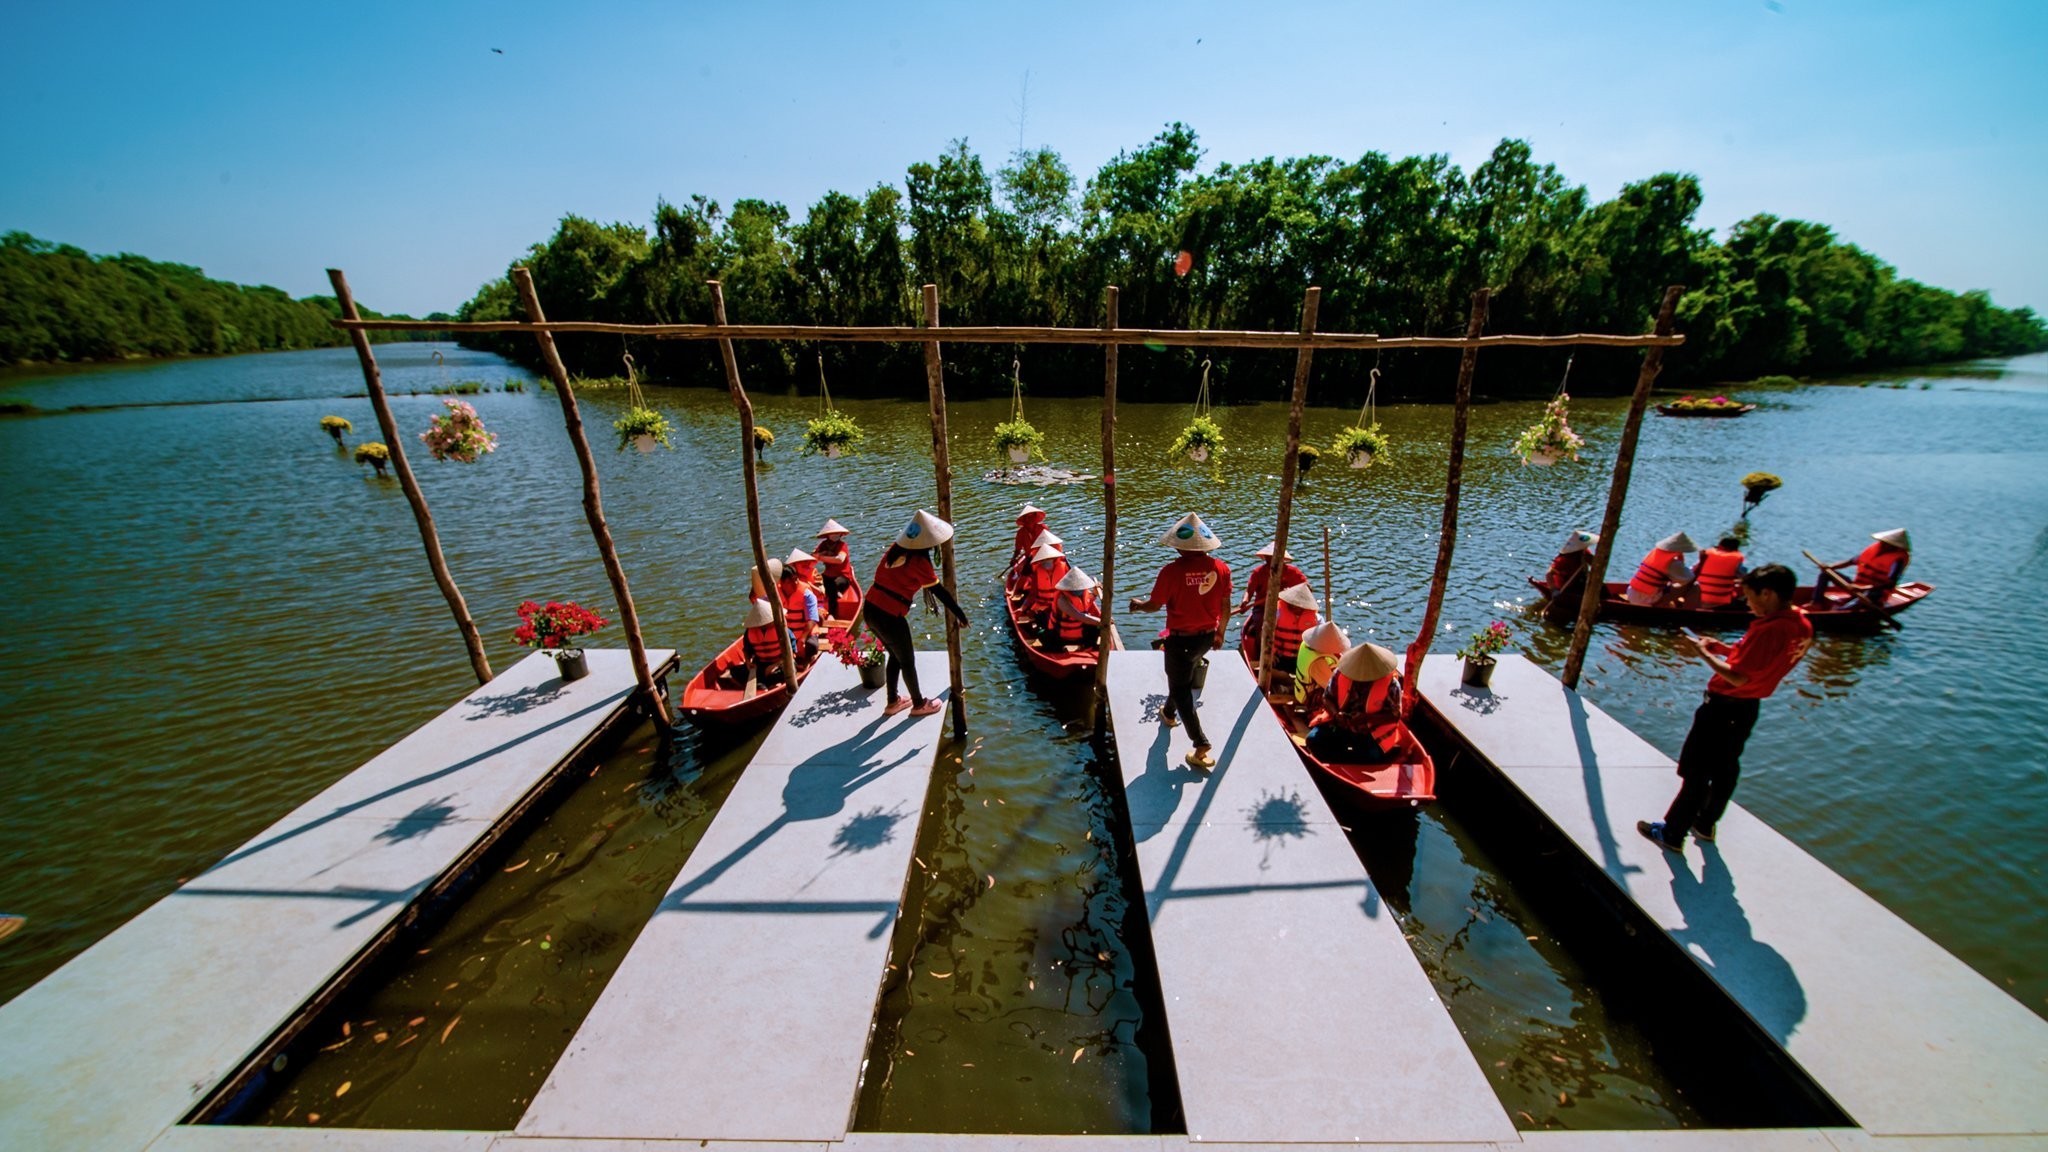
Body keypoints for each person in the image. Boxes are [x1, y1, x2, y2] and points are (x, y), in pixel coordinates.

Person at [1638, 563, 1814, 853]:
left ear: (1767, 593)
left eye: (1750, 596)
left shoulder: (1770, 629)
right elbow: (1758, 661)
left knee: (1696, 772)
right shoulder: (1801, 623)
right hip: (1747, 708)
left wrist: (1702, 654)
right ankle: (1705, 824)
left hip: (1722, 708)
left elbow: (1738, 676)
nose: (1748, 603)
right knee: (1725, 769)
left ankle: (1672, 832)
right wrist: (1721, 648)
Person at [1127, 512, 1232, 769]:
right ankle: (1169, 713)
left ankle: (1200, 743)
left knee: (1181, 688)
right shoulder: (1221, 568)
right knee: (1181, 678)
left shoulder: (1171, 572)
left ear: (1179, 545)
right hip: (1206, 637)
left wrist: (1138, 605)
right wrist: (1221, 633)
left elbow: (1154, 605)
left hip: (1180, 640)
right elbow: (1226, 605)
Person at [862, 509, 969, 717]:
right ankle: (919, 705)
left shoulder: (895, 549)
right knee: (907, 660)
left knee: (894, 655)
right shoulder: (919, 562)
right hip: (889, 616)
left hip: (870, 609)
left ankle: (892, 702)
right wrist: (960, 614)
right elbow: (940, 593)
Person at [1306, 642, 1405, 763]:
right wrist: (1336, 714)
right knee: (1313, 740)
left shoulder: (1392, 685)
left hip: (1371, 732)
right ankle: (1345, 759)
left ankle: (1344, 758)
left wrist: (1366, 718)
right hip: (1342, 725)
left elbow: (1395, 715)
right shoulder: (1340, 674)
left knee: (1372, 756)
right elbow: (1327, 698)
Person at [1811, 528, 1911, 609]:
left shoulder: (1898, 560)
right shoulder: (1874, 550)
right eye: (1883, 542)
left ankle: (1842, 611)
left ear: (1895, 546)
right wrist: (1830, 567)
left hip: (1875, 592)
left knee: (1870, 596)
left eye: (1888, 544)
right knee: (1825, 574)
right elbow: (1851, 561)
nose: (1883, 545)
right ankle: (1816, 603)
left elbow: (1890, 583)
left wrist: (1863, 588)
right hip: (1855, 587)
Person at [1235, 541, 1309, 645]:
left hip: (1286, 607)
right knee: (1261, 628)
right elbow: (1249, 591)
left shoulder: (1293, 572)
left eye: (1273, 558)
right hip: (1262, 607)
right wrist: (1245, 601)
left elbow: (1307, 588)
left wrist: (1290, 592)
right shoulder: (1258, 572)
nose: (1270, 561)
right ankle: (1259, 654)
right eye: (1268, 558)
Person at [1253, 583, 1320, 691]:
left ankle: (1291, 686)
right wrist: (1269, 653)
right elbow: (1265, 634)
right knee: (1273, 672)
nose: (1296, 606)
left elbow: (1321, 641)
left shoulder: (1316, 618)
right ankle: (1289, 684)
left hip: (1302, 658)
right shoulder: (1277, 612)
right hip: (1279, 656)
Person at [1627, 532, 1698, 606]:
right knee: (1694, 586)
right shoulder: (1672, 563)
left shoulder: (1654, 553)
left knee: (1669, 586)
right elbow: (1690, 578)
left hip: (1631, 592)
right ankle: (1689, 611)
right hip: (1646, 599)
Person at [770, 556, 821, 658]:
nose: (795, 583)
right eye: (790, 581)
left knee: (812, 646)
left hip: (804, 633)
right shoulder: (775, 594)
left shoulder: (807, 594)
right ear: (782, 583)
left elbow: (812, 619)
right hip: (785, 635)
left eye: (796, 579)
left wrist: (802, 638)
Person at [738, 597, 792, 686]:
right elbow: (747, 650)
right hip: (761, 664)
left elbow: (792, 653)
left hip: (781, 663)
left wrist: (775, 665)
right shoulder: (750, 632)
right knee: (735, 672)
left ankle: (764, 684)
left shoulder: (782, 630)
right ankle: (764, 684)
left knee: (780, 673)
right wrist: (748, 662)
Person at [1295, 621, 1349, 709]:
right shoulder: (1318, 663)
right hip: (1308, 697)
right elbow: (1331, 688)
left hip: (1301, 688)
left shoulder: (1306, 644)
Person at [1046, 566, 1103, 651]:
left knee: (1095, 629)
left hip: (1080, 633)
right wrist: (1102, 621)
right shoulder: (1062, 599)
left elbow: (1087, 603)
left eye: (1080, 587)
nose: (1079, 589)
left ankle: (1087, 648)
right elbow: (1079, 616)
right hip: (1061, 636)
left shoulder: (1083, 593)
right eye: (1075, 587)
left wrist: (1094, 594)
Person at [1531, 528, 1598, 597]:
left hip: (1580, 581)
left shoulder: (1584, 552)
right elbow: (1549, 574)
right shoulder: (1564, 559)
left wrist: (1593, 559)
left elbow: (1594, 563)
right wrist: (1554, 590)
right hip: (1567, 587)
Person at [812, 519, 857, 618]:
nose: (835, 535)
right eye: (833, 533)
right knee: (814, 583)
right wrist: (820, 554)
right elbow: (814, 555)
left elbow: (840, 559)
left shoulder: (842, 545)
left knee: (833, 586)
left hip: (843, 575)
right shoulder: (824, 544)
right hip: (828, 574)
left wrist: (821, 557)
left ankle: (832, 614)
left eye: (837, 533)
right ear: (828, 535)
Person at [1022, 543, 1070, 629]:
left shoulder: (1064, 568)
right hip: (1043, 607)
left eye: (1048, 559)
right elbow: (1033, 593)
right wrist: (1023, 608)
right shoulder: (1037, 571)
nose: (1045, 561)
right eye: (1043, 559)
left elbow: (1071, 588)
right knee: (1042, 619)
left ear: (1054, 558)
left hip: (1060, 605)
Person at [1693, 536, 1747, 609]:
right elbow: (1746, 578)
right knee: (1745, 588)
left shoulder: (1706, 555)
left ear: (1720, 546)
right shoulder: (1735, 558)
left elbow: (1692, 572)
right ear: (1736, 549)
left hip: (1697, 600)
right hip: (1720, 603)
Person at [1008, 503, 1048, 573]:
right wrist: (1014, 559)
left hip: (1043, 555)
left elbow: (1049, 543)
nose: (1030, 518)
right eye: (1028, 517)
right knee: (1026, 572)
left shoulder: (1042, 528)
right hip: (1030, 557)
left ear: (1035, 517)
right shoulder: (1021, 533)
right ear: (1024, 519)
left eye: (1032, 516)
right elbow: (1018, 549)